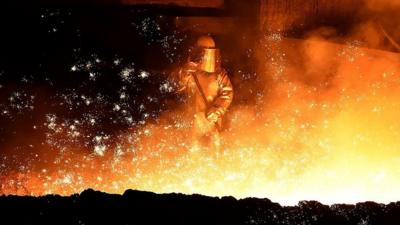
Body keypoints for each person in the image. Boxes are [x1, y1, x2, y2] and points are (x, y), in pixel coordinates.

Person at [171, 35, 233, 151]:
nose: (206, 53)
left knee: (213, 154)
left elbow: (227, 93)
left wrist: (217, 109)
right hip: (192, 122)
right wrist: (188, 69)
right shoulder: (188, 72)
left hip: (211, 121)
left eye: (209, 49)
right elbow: (178, 86)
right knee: (193, 154)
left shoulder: (219, 74)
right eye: (203, 50)